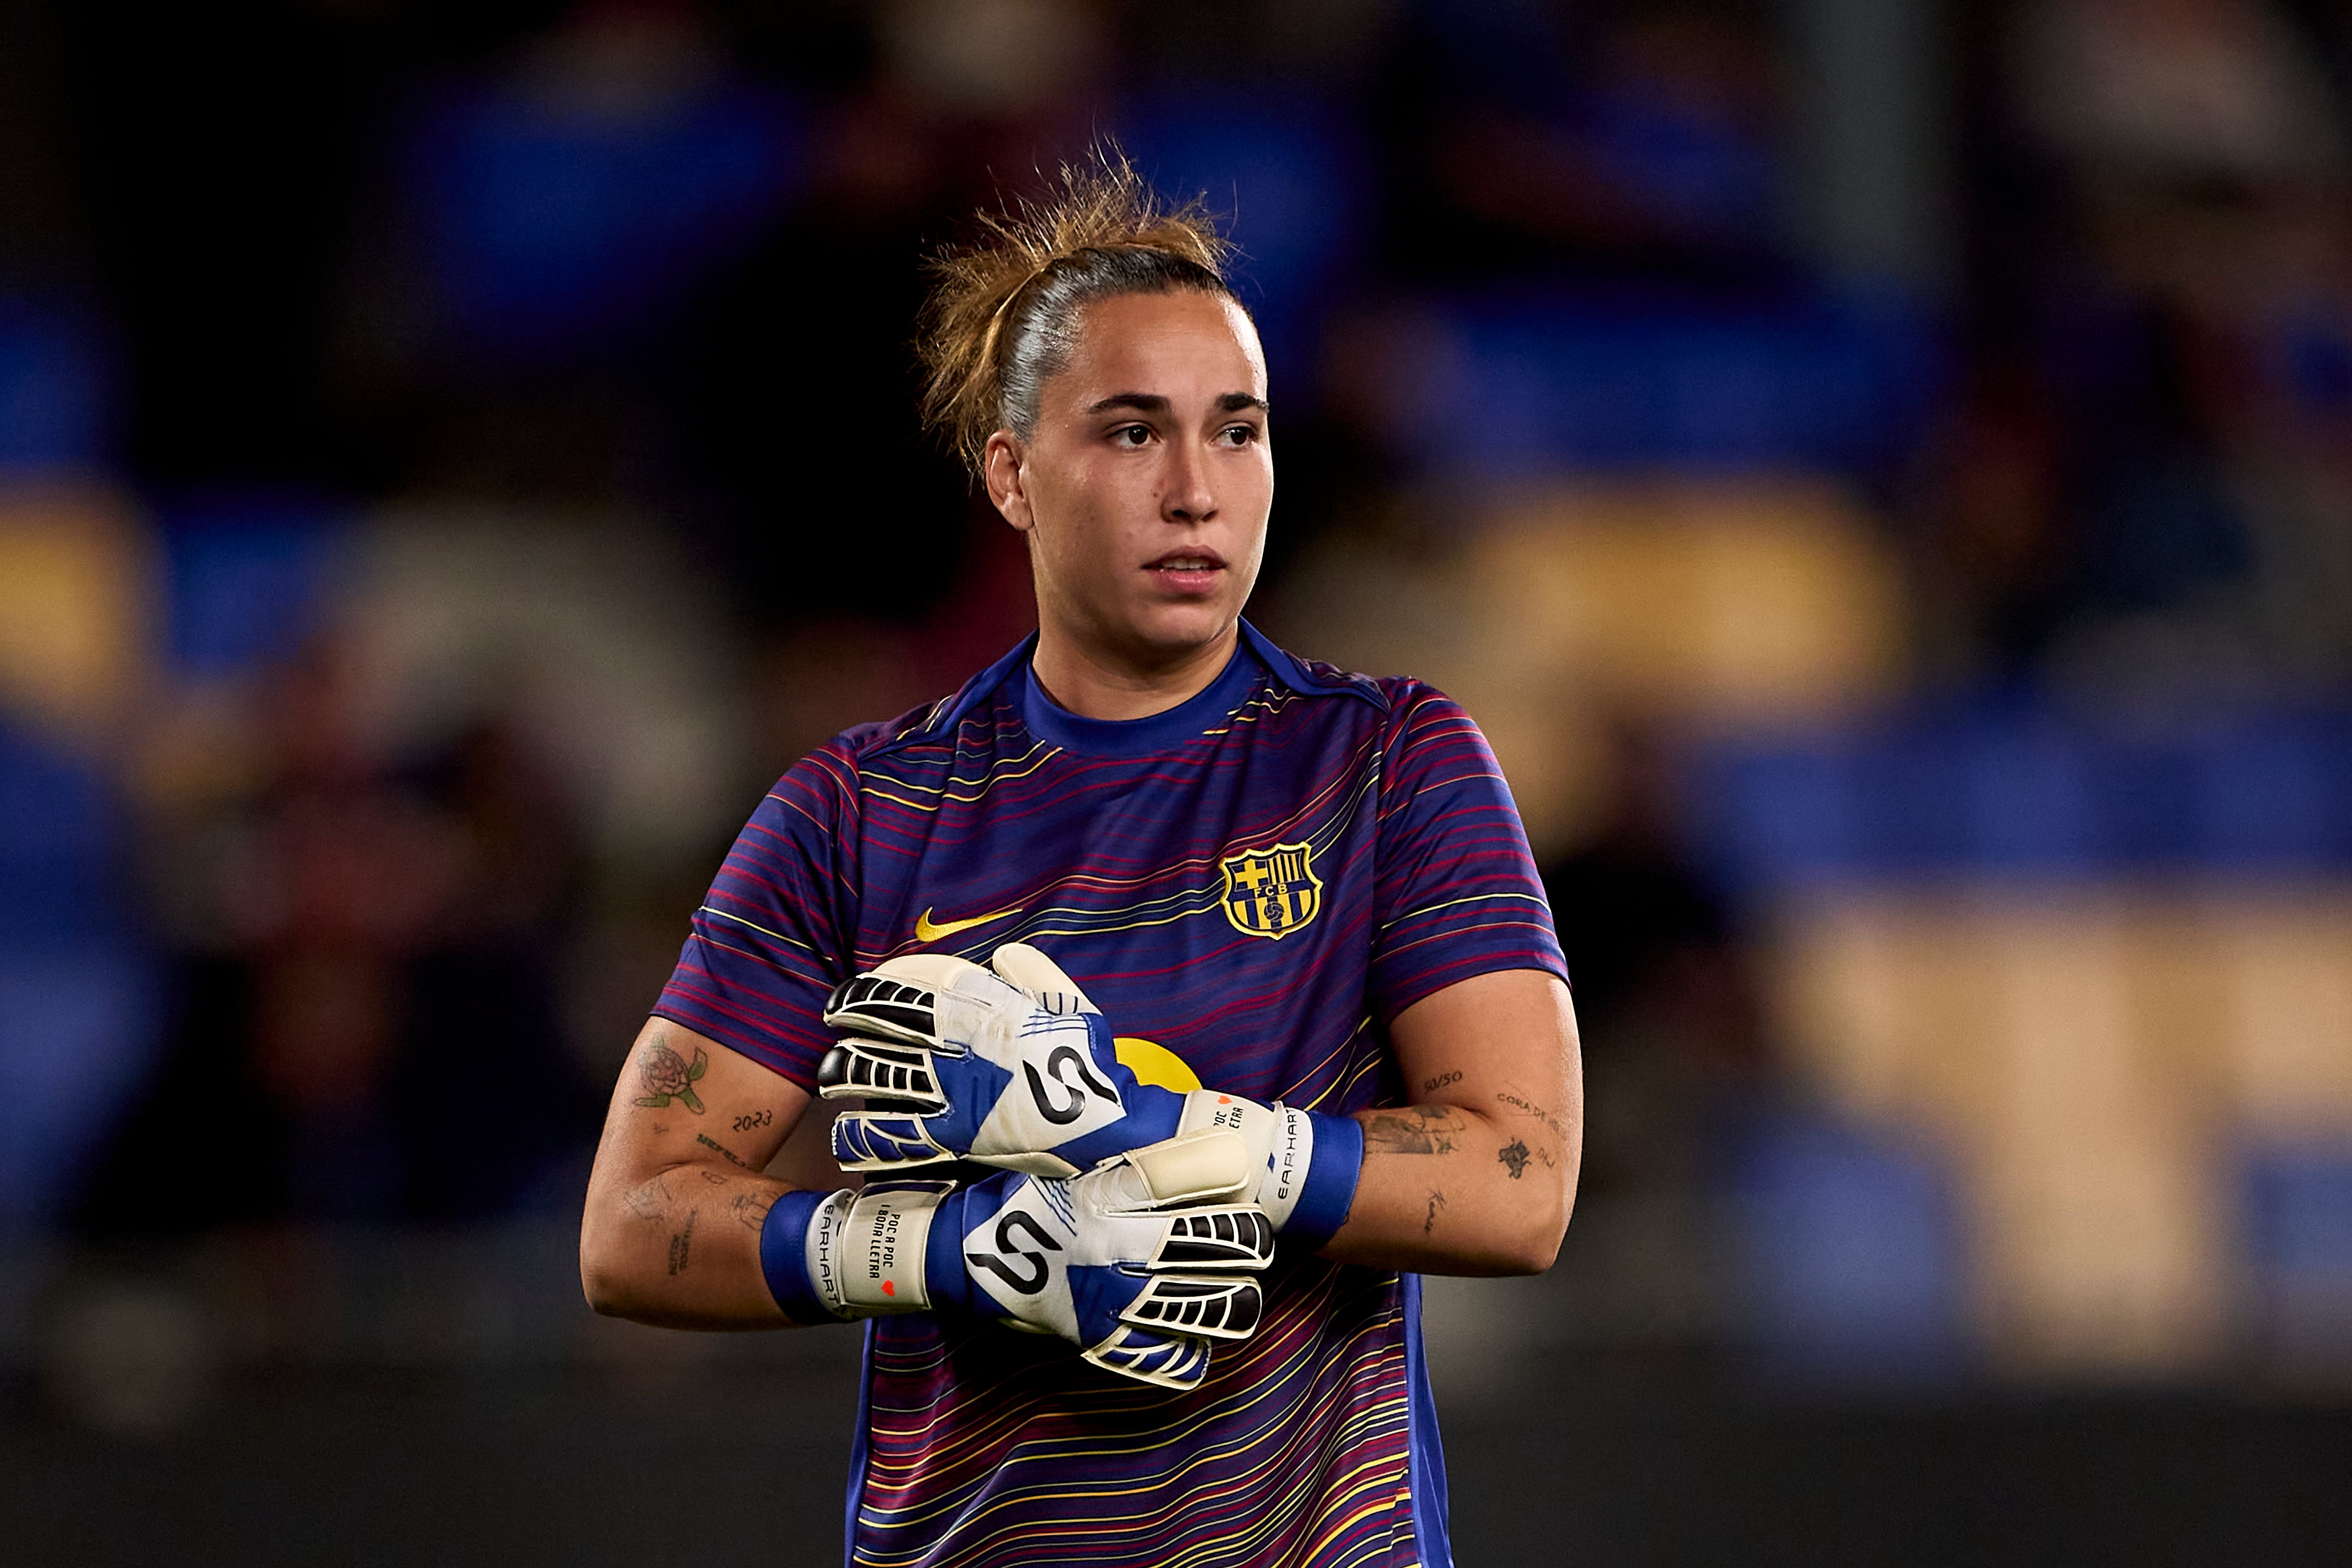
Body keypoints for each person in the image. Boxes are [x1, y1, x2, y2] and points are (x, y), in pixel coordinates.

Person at [580, 152, 1581, 1568]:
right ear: (1011, 474)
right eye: (1130, 432)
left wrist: (1151, 1134)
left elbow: (1520, 1182)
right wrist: (953, 1256)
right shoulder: (856, 813)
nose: (1195, 491)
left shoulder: (1387, 765)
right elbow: (632, 1228)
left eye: (1237, 431)